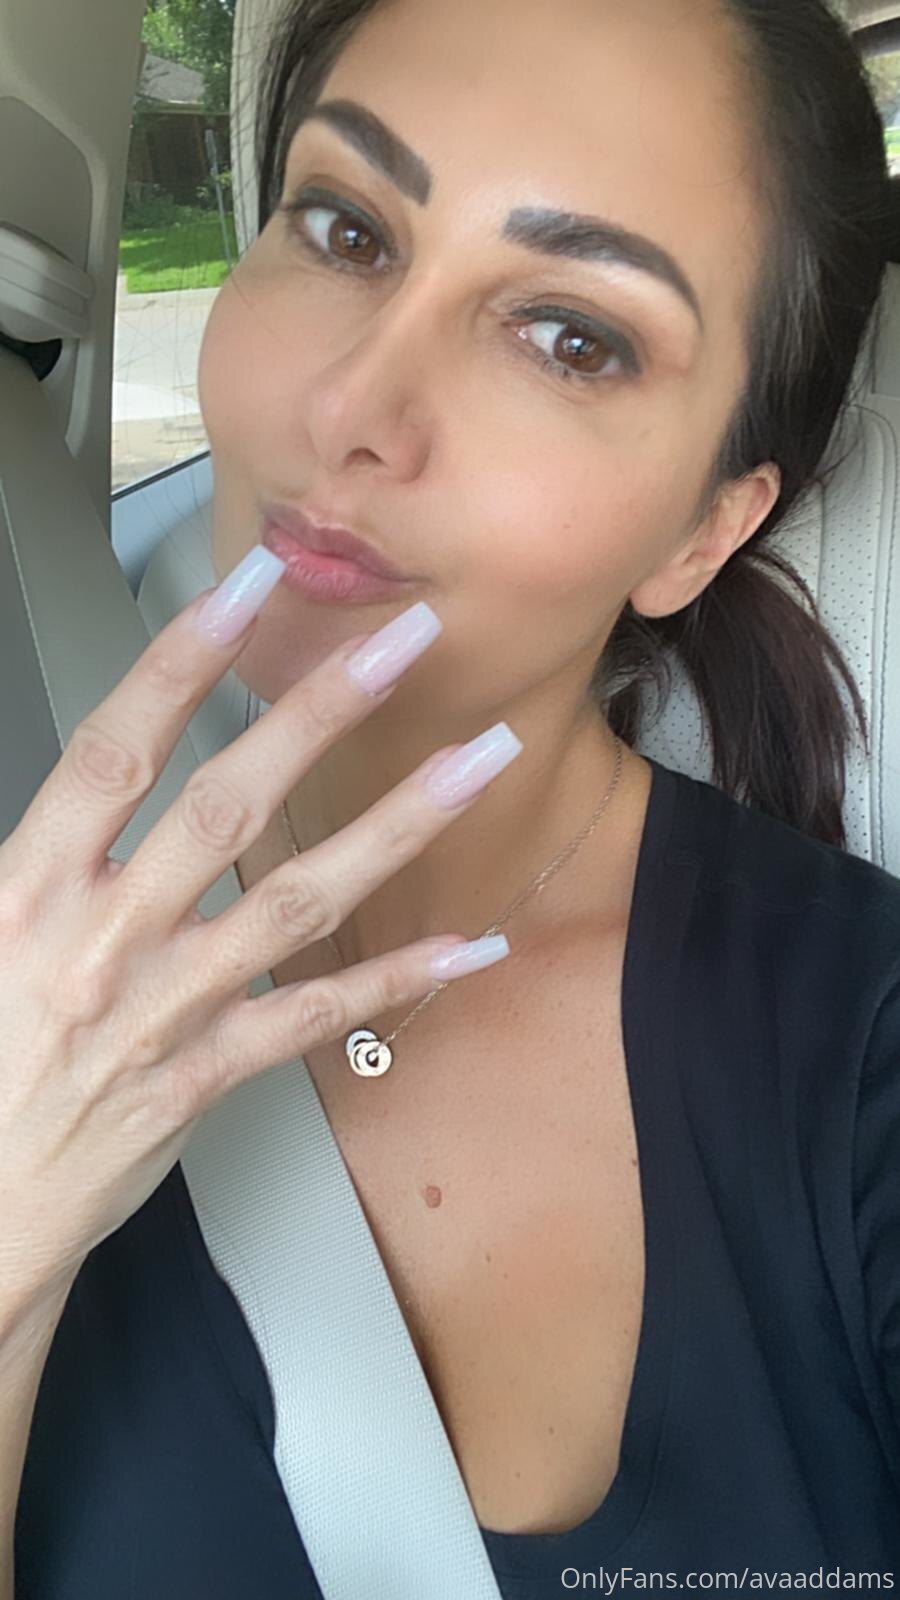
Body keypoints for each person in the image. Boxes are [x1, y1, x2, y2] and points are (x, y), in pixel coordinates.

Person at [6, 0, 900, 1593]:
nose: (352, 410)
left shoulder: (863, 1040)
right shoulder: (26, 915)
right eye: (346, 229)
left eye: (572, 337)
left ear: (703, 529)